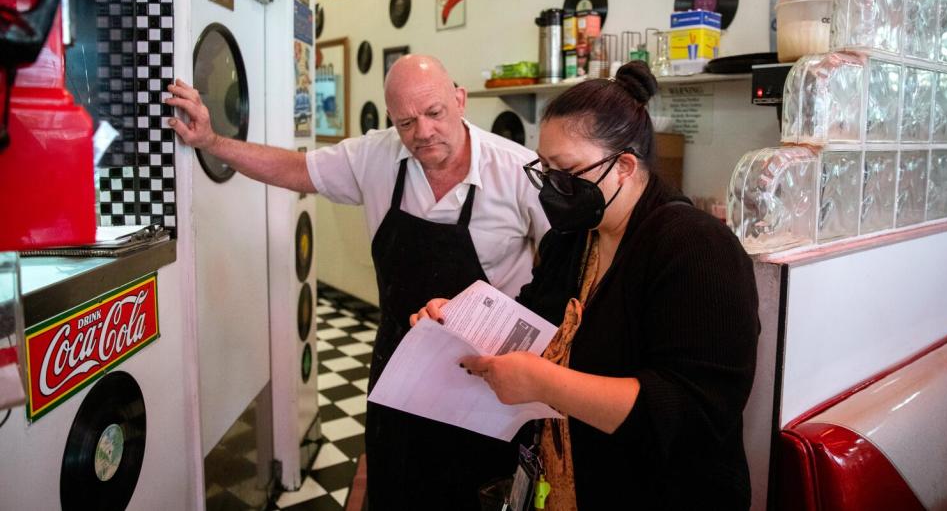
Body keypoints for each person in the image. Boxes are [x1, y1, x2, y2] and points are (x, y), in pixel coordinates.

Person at [165, 54, 549, 510]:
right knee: (397, 489)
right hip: (400, 364)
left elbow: (565, 264)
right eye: (406, 122)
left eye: (434, 113)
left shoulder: (520, 171)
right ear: (391, 119)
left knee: (479, 492)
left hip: (489, 378)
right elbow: (294, 168)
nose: (422, 133)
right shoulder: (377, 155)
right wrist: (213, 142)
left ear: (460, 100)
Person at [412, 61, 760, 509]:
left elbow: (690, 411)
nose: (553, 188)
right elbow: (530, 319)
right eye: (546, 169)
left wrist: (544, 382)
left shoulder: (695, 248)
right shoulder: (573, 239)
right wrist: (459, 322)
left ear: (624, 166)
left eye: (569, 172)